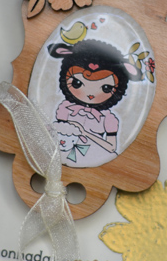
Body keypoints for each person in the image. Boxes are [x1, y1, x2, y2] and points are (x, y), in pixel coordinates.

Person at [48, 39, 142, 167]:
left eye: (106, 88)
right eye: (77, 83)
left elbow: (111, 147)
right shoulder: (67, 108)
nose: (90, 95)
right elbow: (59, 132)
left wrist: (85, 133)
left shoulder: (108, 119)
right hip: (63, 151)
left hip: (95, 155)